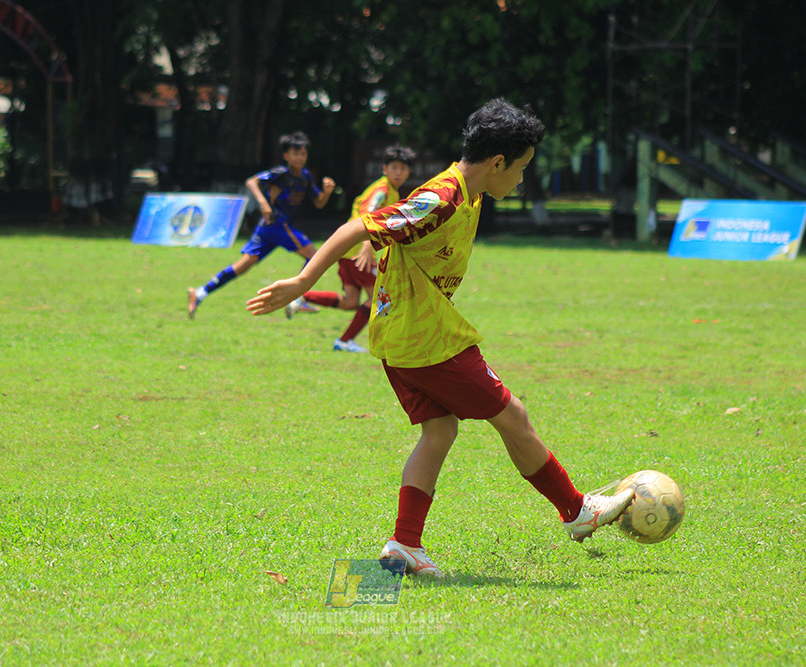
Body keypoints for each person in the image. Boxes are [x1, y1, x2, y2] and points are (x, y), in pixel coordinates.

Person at [247, 99, 633, 579]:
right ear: (497, 163)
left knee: (439, 430)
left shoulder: (467, 193)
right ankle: (577, 510)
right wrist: (304, 281)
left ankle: (405, 544)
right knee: (512, 415)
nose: (521, 179)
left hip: (399, 334)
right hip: (423, 335)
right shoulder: (442, 197)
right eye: (522, 168)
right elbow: (356, 226)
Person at [187, 132, 336, 316]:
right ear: (286, 156)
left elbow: (319, 203)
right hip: (276, 224)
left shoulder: (305, 176)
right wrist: (263, 203)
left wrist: (327, 193)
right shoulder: (280, 173)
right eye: (295, 153)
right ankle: (297, 300)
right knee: (314, 256)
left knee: (243, 265)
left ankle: (200, 293)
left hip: (269, 228)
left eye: (303, 154)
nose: (299, 157)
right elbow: (251, 182)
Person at [287, 145, 417, 353]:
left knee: (350, 301)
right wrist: (366, 245)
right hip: (357, 252)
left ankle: (302, 296)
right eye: (394, 167)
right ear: (385, 169)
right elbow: (370, 212)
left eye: (403, 169)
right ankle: (347, 340)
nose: (398, 172)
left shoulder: (390, 191)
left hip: (347, 250)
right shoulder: (382, 190)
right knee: (379, 298)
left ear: (409, 172)